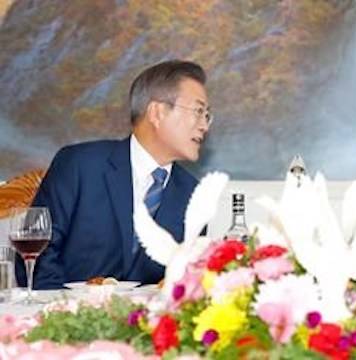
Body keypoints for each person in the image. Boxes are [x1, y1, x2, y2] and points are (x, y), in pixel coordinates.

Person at [16, 60, 213, 289]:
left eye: (207, 116)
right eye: (199, 111)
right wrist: (64, 313)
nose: (204, 126)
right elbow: (35, 255)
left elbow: (186, 283)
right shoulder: (80, 165)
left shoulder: (194, 195)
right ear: (157, 112)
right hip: (64, 316)